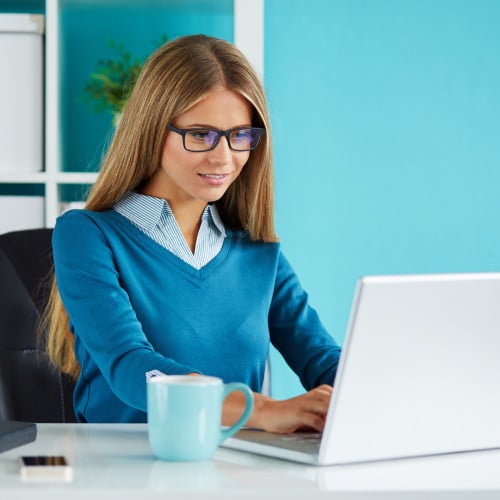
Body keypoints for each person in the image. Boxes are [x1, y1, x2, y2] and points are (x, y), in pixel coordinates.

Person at [45, 34, 341, 432]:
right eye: (200, 134)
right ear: (152, 130)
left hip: (233, 469)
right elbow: (130, 364)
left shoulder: (256, 250)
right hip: (123, 467)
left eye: (240, 136)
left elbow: (322, 357)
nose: (224, 157)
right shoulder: (86, 235)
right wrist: (263, 410)